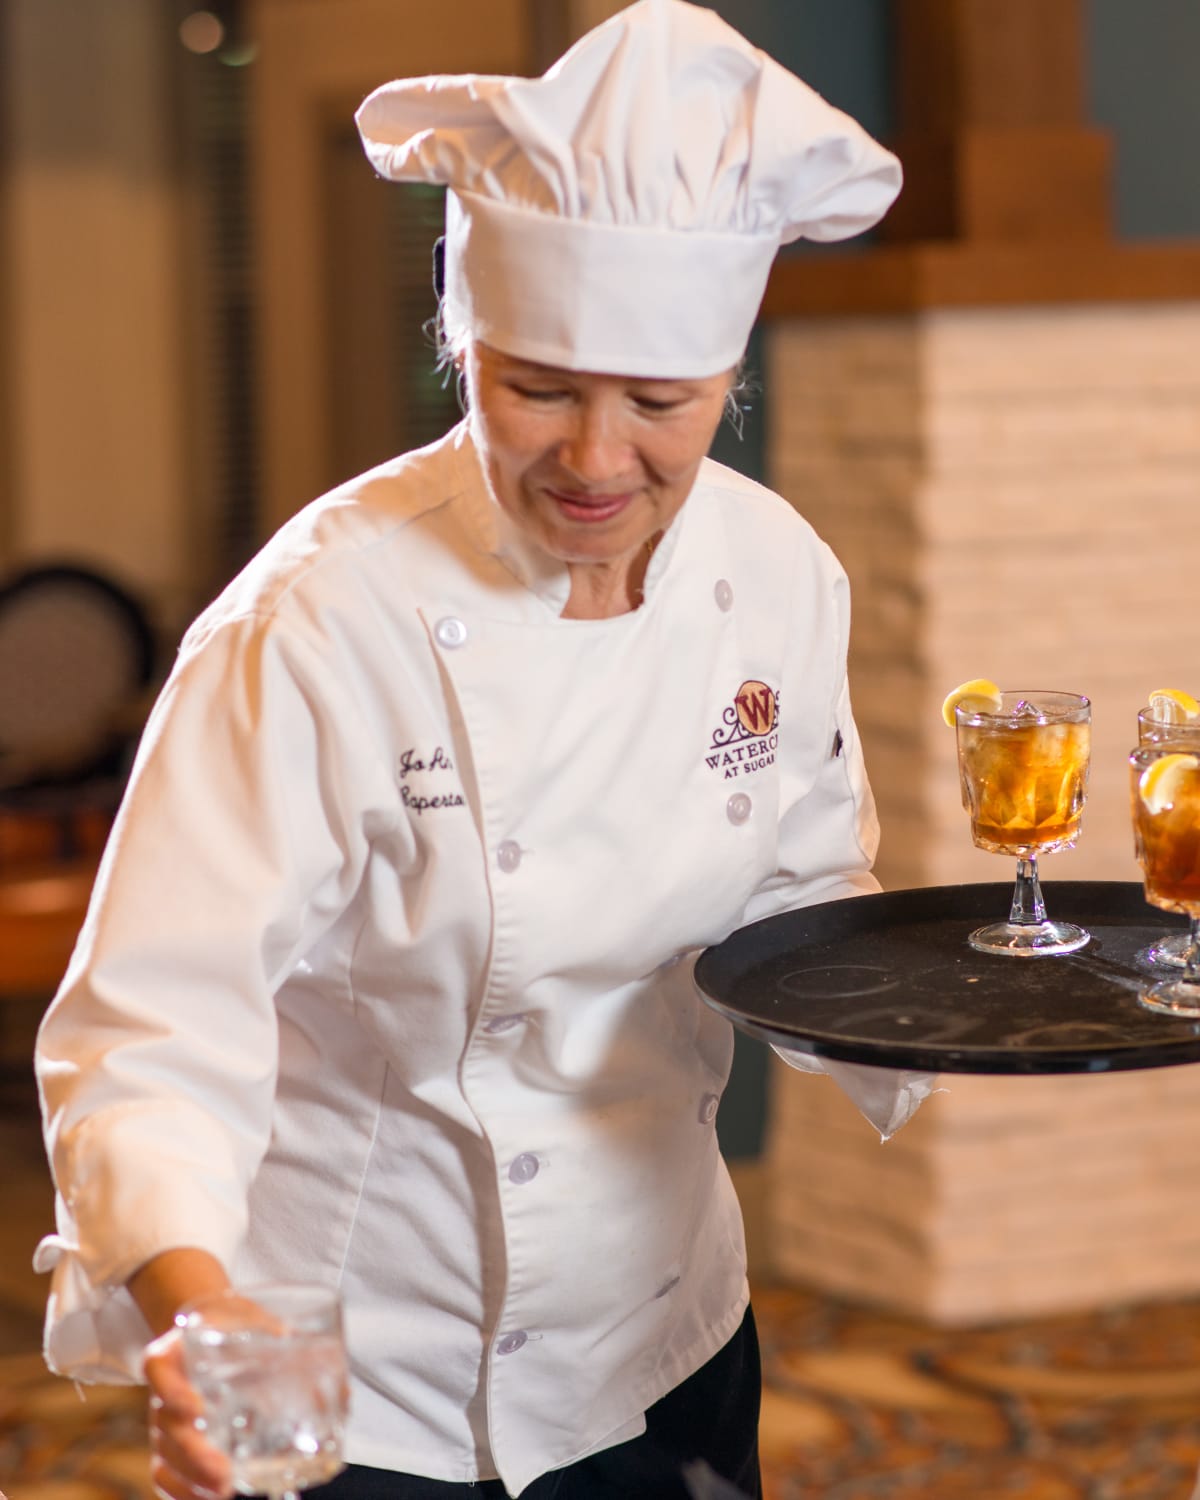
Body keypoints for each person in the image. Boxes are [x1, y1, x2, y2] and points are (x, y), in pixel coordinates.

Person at [34, 2, 928, 1496]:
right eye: (537, 389)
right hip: (375, 1377)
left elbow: (799, 888)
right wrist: (198, 1315)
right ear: (460, 342)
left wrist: (978, 995)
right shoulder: (316, 624)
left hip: (670, 1328)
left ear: (727, 379)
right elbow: (151, 1035)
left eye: (660, 404)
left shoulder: (776, 571)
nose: (595, 460)